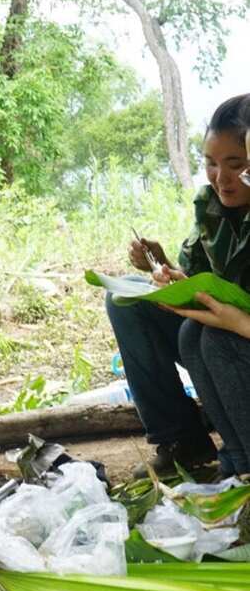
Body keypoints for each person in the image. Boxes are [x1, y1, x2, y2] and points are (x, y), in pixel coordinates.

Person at [105, 94, 250, 476]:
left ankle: (241, 458)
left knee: (209, 338)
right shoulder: (212, 208)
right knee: (133, 300)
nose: (222, 178)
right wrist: (165, 269)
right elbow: (199, 281)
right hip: (228, 331)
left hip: (237, 339)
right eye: (210, 164)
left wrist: (238, 323)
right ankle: (185, 440)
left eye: (237, 166)